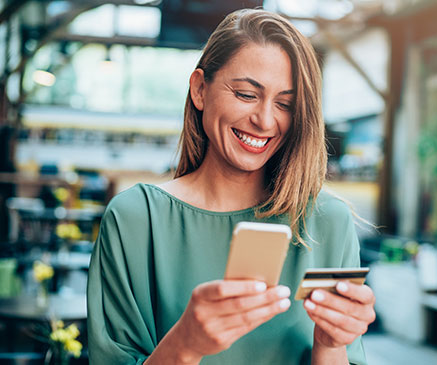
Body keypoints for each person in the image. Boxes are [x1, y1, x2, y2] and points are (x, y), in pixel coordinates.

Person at [87, 8, 375, 365]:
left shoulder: (327, 221)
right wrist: (184, 344)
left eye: (285, 104)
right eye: (246, 94)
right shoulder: (135, 219)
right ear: (199, 90)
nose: (265, 120)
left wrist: (331, 345)